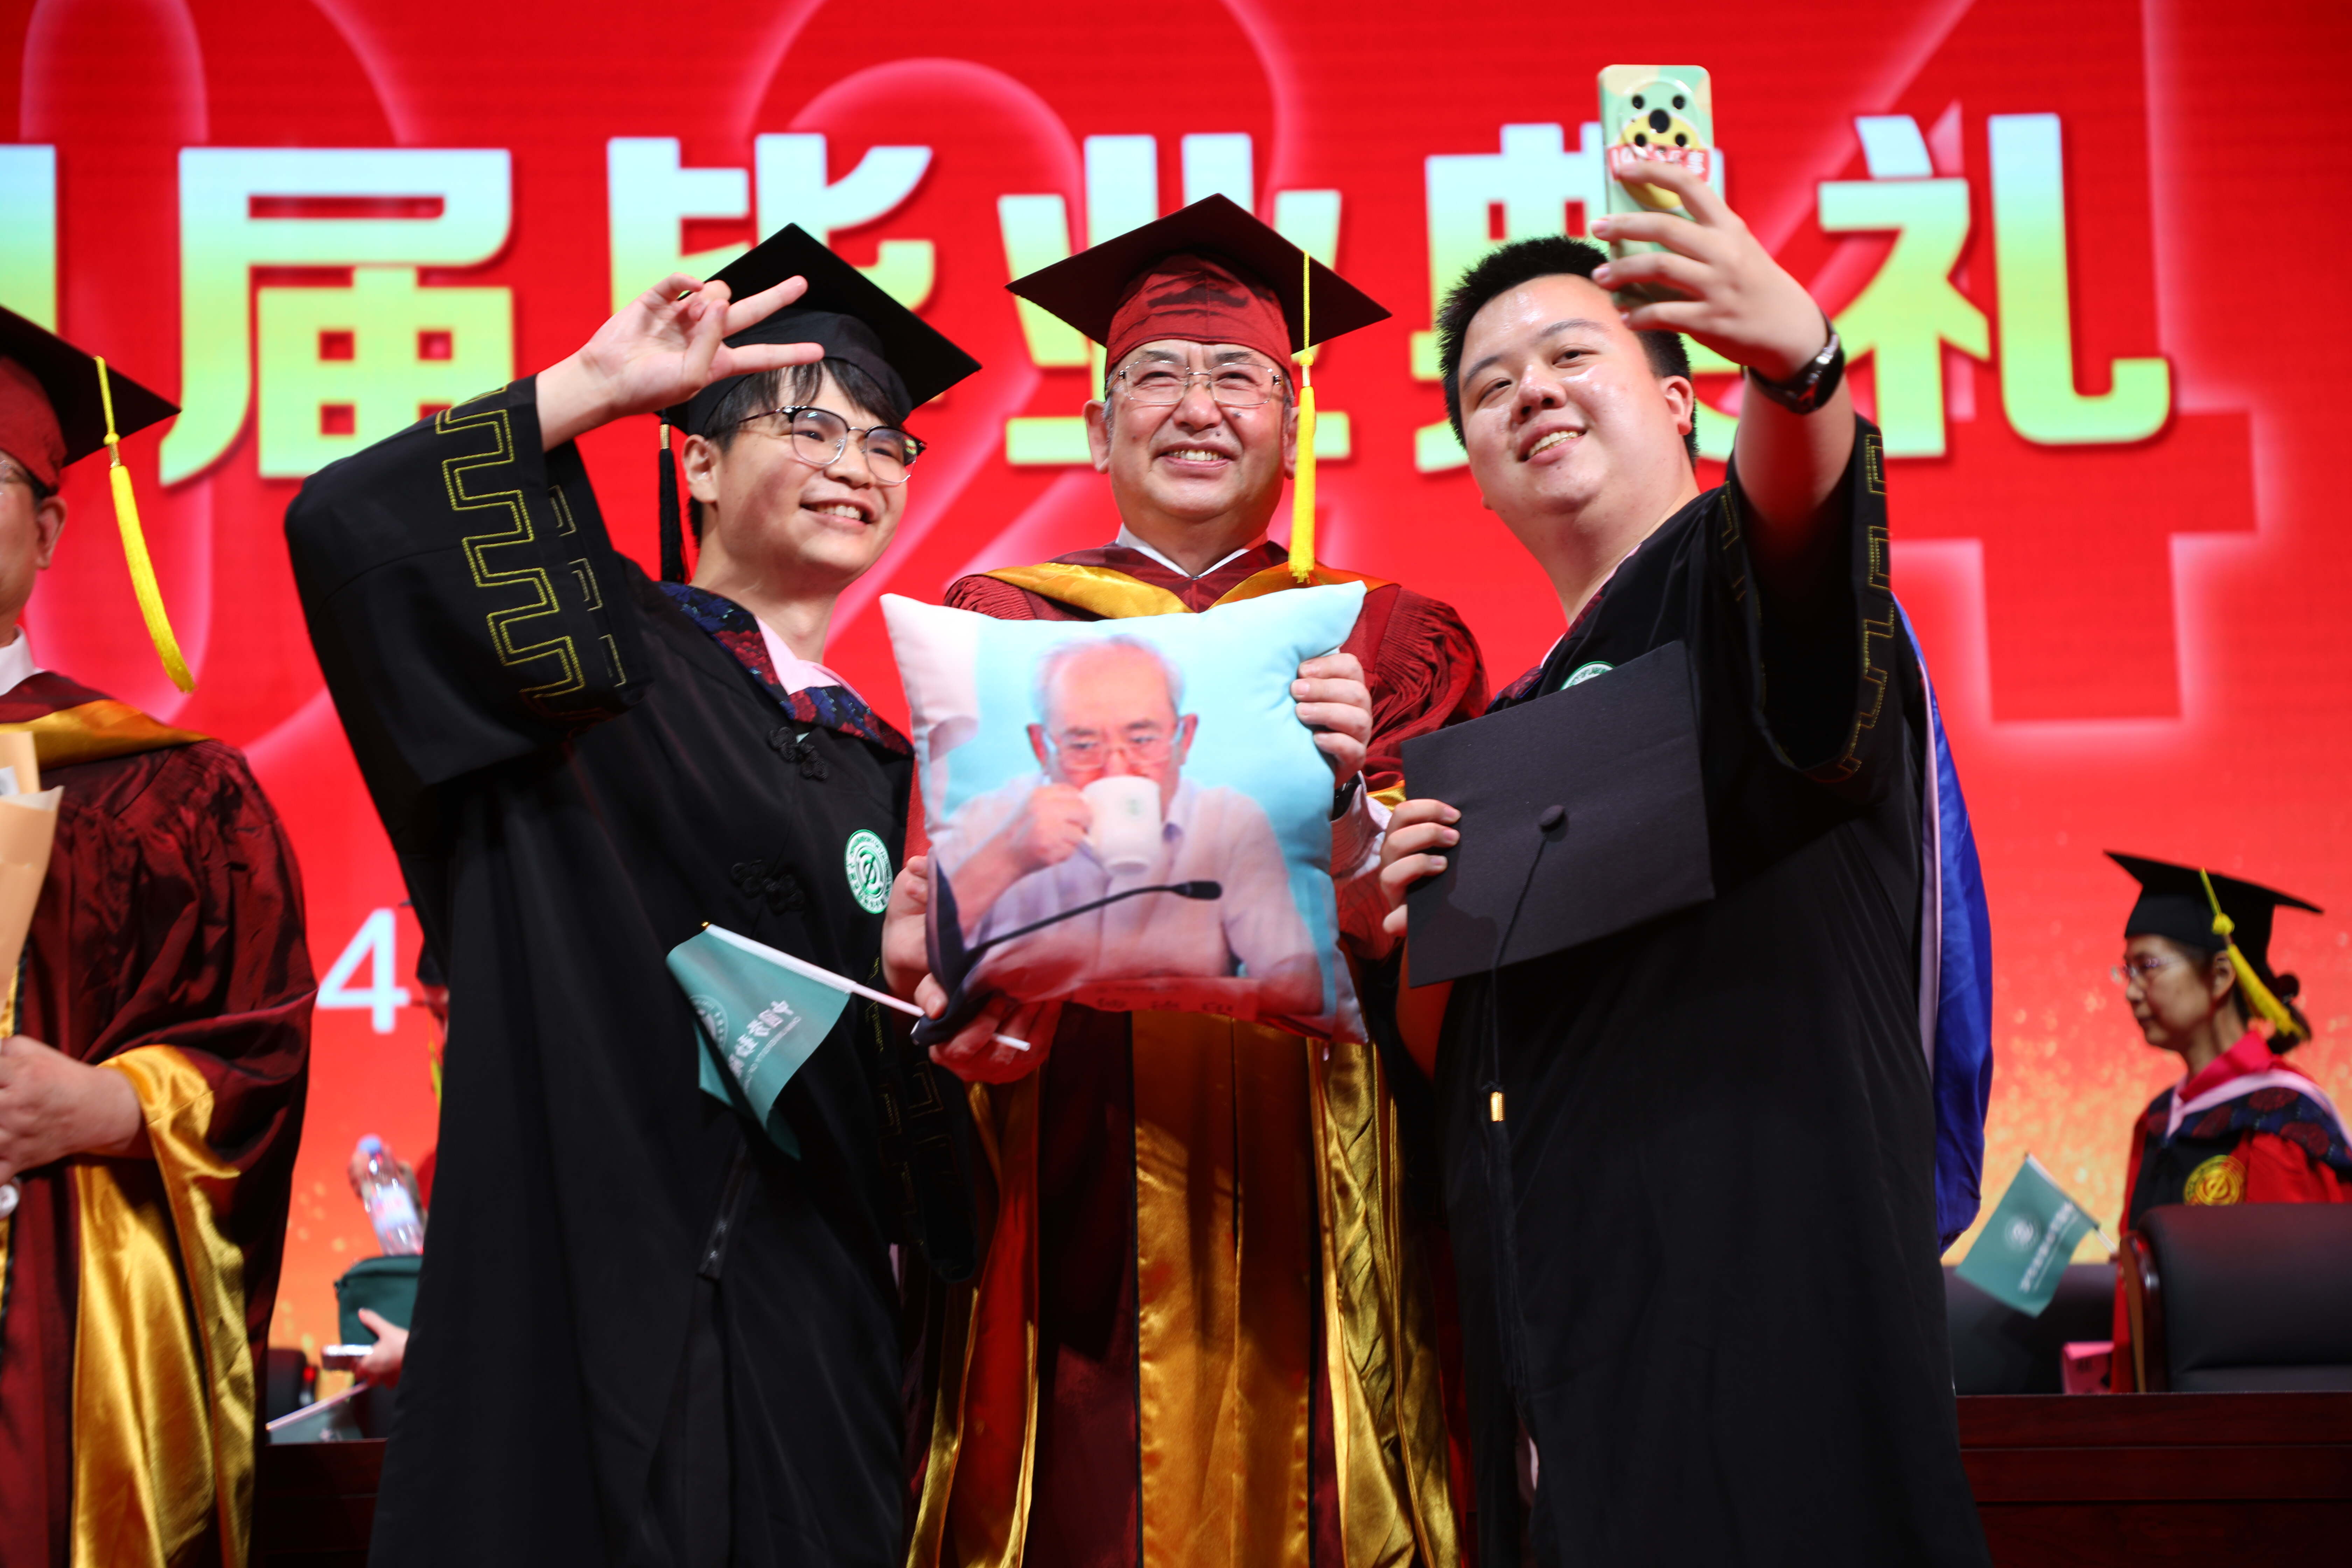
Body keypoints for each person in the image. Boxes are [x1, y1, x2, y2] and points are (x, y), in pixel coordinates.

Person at [285, 228, 993, 1567]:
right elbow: (349, 527)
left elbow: (909, 1178)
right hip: (581, 1296)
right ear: (698, 463)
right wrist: (590, 390)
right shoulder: (588, 662)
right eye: (806, 424)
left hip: (809, 1350)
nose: (854, 462)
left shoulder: (901, 770)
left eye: (883, 441)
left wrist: (918, 1007)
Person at [1377, 158, 1990, 1563]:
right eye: (1489, 386)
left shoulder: (1727, 583)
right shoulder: (1497, 738)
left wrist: (1799, 370)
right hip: (1567, 1394)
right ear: (1474, 472)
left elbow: (1800, 535)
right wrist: (1393, 899)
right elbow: (1468, 1066)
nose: (1530, 393)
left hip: (1769, 1357)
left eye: (1570, 355)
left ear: (1678, 401)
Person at [899, 196, 1479, 1568]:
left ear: (1296, 419)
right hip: (1075, 1150)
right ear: (1098, 428)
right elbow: (959, 906)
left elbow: (1438, 935)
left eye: (1240, 376)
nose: (1199, 407)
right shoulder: (1005, 625)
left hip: (1322, 1164)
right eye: (1157, 374)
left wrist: (1351, 800)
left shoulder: (1391, 638)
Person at [0, 305, 314, 1568]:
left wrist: (116, 1104)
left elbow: (265, 1049)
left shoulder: (167, 789)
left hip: (66, 1308)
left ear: (48, 527)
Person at [927, 636, 1320, 1019]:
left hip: (1183, 1042)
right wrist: (1006, 860)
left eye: (1143, 739)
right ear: (1042, 748)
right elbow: (926, 961)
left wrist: (1122, 999)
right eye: (1084, 746)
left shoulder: (1229, 822)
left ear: (1185, 739)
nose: (1116, 769)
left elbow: (1299, 985)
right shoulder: (987, 822)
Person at [2104, 853, 2350, 1389]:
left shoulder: (2283, 1121)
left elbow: (2296, 1313)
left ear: (2219, 976)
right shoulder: (2159, 1122)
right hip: (2155, 1417)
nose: (2130, 990)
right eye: (2127, 969)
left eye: (2147, 966)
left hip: (2252, 1416)